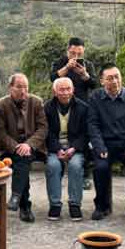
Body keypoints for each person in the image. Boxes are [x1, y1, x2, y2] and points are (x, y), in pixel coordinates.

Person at [87, 66, 125, 220]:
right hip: (105, 144)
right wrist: (99, 147)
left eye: (117, 76)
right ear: (102, 81)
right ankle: (102, 206)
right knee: (100, 167)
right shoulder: (95, 97)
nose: (114, 81)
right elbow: (93, 125)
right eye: (110, 78)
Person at [0, 73, 47, 223]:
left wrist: (29, 144)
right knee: (22, 159)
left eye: (25, 87)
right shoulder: (0, 105)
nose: (23, 91)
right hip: (9, 148)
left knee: (23, 157)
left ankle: (16, 197)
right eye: (19, 87)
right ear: (10, 88)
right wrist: (16, 146)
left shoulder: (36, 102)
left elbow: (43, 128)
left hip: (33, 146)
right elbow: (0, 132)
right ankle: (24, 206)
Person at [44, 77, 90, 222]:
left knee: (75, 165)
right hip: (55, 149)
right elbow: (46, 132)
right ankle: (55, 205)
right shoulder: (47, 108)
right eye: (61, 89)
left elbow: (86, 133)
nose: (65, 92)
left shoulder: (83, 108)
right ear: (55, 92)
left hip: (75, 148)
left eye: (68, 89)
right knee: (53, 165)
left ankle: (75, 204)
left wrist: (73, 148)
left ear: (73, 90)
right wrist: (58, 149)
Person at [50, 37, 98, 103]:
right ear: (68, 50)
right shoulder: (59, 62)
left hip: (83, 102)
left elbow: (94, 85)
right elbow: (53, 78)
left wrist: (86, 76)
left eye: (79, 54)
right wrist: (67, 67)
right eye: (73, 53)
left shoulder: (88, 64)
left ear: (83, 51)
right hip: (62, 101)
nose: (76, 56)